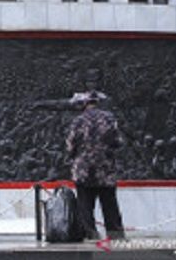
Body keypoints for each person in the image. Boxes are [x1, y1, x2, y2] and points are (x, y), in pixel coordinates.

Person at [65, 90, 125, 240]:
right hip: (105, 170)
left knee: (85, 206)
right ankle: (116, 234)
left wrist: (75, 156)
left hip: (83, 171)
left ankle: (90, 234)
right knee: (110, 205)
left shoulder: (78, 121)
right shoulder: (109, 119)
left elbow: (71, 146)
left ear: (84, 104)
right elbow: (118, 142)